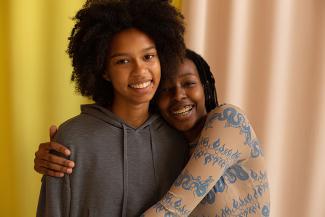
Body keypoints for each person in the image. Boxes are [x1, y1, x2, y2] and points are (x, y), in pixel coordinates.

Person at [36, 48, 270, 216]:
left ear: (206, 87)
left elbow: (171, 210)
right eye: (166, 90)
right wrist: (58, 155)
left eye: (189, 83)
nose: (178, 96)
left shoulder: (227, 121)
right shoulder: (172, 144)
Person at [36, 0, 188, 217]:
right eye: (123, 61)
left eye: (148, 56)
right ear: (104, 70)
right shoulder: (72, 141)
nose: (140, 70)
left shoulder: (178, 141)